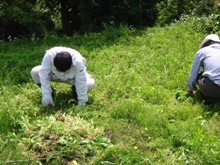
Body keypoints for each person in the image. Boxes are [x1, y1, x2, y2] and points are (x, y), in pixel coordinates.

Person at [31, 46, 95, 108]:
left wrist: (82, 101)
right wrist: (46, 95)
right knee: (35, 72)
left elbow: (81, 81)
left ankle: (75, 92)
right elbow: (44, 75)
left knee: (90, 84)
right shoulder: (49, 56)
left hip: (73, 78)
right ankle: (51, 93)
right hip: (54, 75)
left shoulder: (78, 62)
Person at [187, 34, 220, 104]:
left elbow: (193, 74)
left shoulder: (202, 52)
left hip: (215, 90)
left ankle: (211, 97)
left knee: (199, 75)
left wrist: (191, 88)